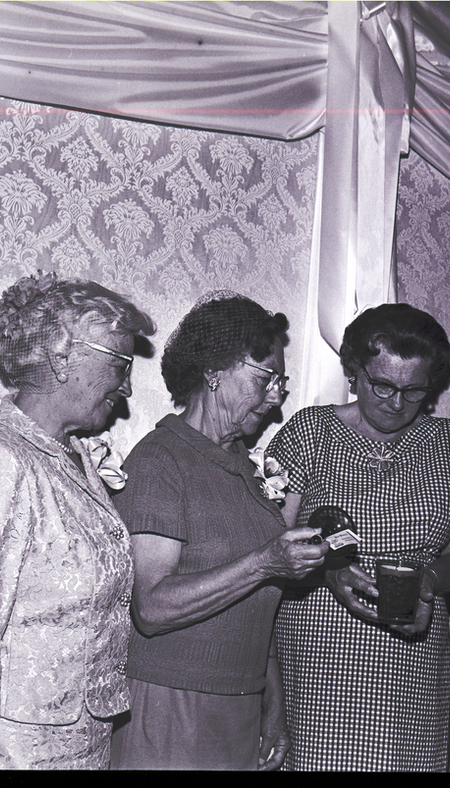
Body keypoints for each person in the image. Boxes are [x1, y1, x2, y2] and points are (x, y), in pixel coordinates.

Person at [0, 272, 156, 769]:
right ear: (62, 356)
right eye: (120, 363)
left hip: (77, 748)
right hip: (7, 754)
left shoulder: (72, 456)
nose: (128, 386)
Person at [109, 291, 329, 771]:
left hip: (238, 706)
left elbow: (256, 600)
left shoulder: (245, 469)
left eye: (281, 382)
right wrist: (266, 561)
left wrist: (272, 699)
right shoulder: (161, 460)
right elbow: (152, 607)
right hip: (172, 706)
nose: (276, 396)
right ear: (213, 371)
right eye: (264, 378)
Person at [265, 302, 450, 771]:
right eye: (382, 385)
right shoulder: (309, 432)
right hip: (319, 657)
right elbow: (271, 550)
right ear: (354, 371)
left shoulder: (448, 443)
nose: (396, 403)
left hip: (413, 658)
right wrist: (328, 571)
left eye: (413, 390)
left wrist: (429, 579)